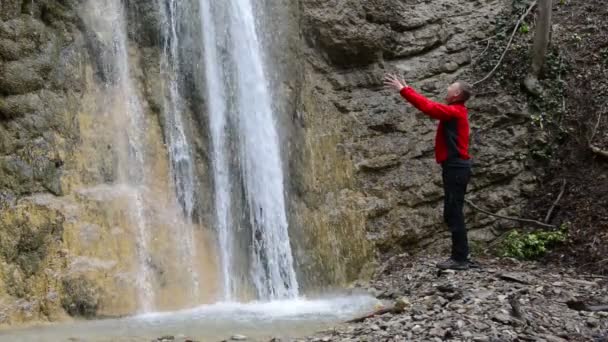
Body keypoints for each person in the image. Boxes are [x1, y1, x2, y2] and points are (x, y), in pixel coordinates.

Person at [384, 74, 473, 270]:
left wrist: (403, 91)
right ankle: (461, 256)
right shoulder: (456, 111)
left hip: (456, 167)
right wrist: (408, 89)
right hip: (455, 167)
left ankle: (460, 258)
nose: (447, 89)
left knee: (454, 212)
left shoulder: (456, 112)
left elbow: (429, 107)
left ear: (456, 93)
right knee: (452, 212)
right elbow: (431, 106)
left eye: (451, 87)